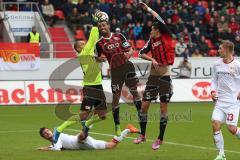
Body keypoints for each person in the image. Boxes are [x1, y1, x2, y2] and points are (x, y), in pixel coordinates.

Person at [52, 11, 108, 143]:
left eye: (84, 43)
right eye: (81, 44)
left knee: (103, 115)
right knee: (83, 114)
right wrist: (95, 23)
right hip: (89, 87)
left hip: (98, 86)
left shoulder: (87, 54)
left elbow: (94, 59)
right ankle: (59, 129)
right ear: (78, 49)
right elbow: (93, 38)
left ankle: (87, 124)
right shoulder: (84, 52)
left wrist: (99, 60)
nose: (84, 44)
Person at [133, 2, 175, 150]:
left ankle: (160, 138)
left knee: (163, 109)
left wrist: (148, 9)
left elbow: (160, 18)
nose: (150, 32)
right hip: (153, 76)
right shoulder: (151, 41)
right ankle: (143, 135)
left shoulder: (166, 36)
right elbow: (140, 53)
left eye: (152, 30)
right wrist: (152, 59)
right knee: (144, 108)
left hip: (164, 76)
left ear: (157, 30)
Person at [95, 12, 142, 136]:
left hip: (127, 67)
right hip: (115, 71)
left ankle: (141, 117)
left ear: (108, 25)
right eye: (100, 26)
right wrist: (99, 59)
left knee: (134, 92)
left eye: (104, 25)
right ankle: (117, 126)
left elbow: (130, 49)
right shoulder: (99, 43)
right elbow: (96, 58)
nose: (102, 28)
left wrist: (129, 53)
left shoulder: (119, 36)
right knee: (115, 98)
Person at [211, 40, 240, 160]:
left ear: (227, 50)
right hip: (220, 102)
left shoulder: (237, 65)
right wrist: (213, 91)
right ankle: (221, 154)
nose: (218, 50)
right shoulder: (217, 64)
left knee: (231, 128)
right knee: (215, 124)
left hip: (233, 103)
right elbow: (214, 80)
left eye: (220, 49)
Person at [38, 124, 140, 151]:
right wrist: (49, 147)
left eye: (47, 131)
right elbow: (55, 146)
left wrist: (46, 149)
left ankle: (87, 125)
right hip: (86, 145)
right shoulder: (53, 142)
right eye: (45, 134)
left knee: (81, 137)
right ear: (44, 137)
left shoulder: (57, 135)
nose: (47, 133)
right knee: (112, 145)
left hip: (78, 141)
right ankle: (128, 130)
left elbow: (57, 149)